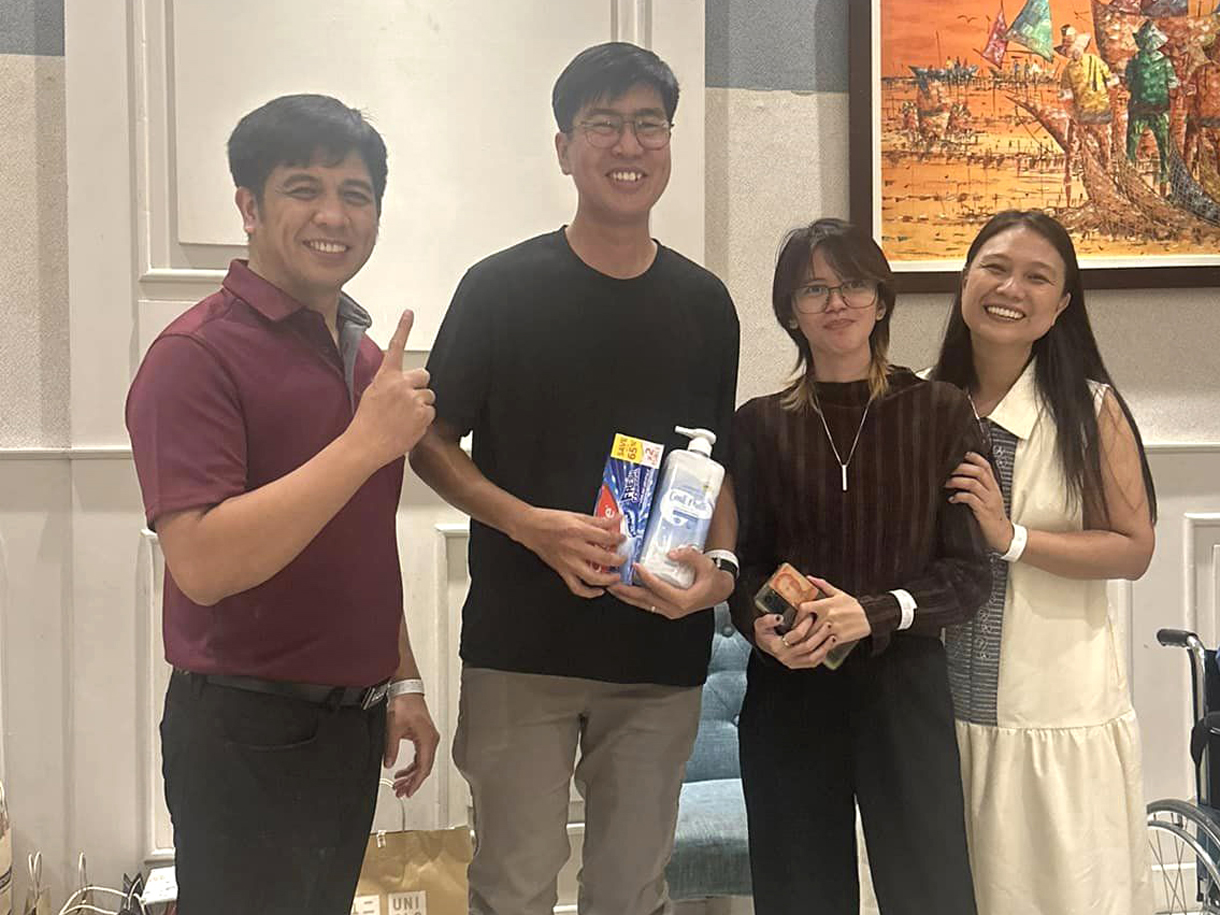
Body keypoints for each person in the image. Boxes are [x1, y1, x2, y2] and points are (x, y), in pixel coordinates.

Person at [409, 42, 740, 915]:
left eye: (648, 125)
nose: (628, 145)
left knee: (632, 892)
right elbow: (429, 441)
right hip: (523, 646)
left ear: (668, 142)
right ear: (564, 148)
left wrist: (722, 569)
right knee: (513, 887)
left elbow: (717, 462)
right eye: (604, 124)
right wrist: (529, 523)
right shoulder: (499, 288)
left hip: (658, 652)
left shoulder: (707, 304)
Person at [125, 94, 440, 914]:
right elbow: (203, 563)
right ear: (249, 206)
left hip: (351, 723)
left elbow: (360, 540)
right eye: (304, 188)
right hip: (245, 728)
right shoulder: (194, 354)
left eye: (356, 193)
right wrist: (363, 443)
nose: (334, 215)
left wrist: (402, 679)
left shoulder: (365, 358)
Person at [727, 218, 989, 915]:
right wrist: (763, 628)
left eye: (852, 285)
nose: (836, 302)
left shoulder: (940, 411)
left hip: (904, 687)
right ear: (790, 311)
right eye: (813, 289)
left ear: (881, 300)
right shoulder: (757, 424)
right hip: (789, 689)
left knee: (930, 890)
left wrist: (873, 611)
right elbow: (744, 567)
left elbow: (969, 573)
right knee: (798, 894)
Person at [932, 210, 1156, 915]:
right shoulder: (918, 401)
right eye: (995, 267)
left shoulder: (1092, 410)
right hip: (932, 707)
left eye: (1037, 277)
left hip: (1053, 706)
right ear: (965, 279)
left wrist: (1012, 537)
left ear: (1061, 305)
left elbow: (1134, 547)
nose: (1010, 289)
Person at [1055, 25, 1117, 168]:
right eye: (1070, 50)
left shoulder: (1094, 62)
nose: (1073, 52)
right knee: (1096, 145)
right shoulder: (1069, 70)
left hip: (1097, 112)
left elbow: (1111, 83)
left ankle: (1103, 169)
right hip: (1088, 114)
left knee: (1101, 145)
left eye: (1074, 48)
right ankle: (1077, 172)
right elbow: (1066, 99)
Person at [1125, 19, 1179, 184]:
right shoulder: (1164, 62)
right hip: (1156, 108)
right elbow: (1172, 85)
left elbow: (1128, 83)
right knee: (1162, 143)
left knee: (1134, 141)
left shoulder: (1134, 62)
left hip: (1141, 107)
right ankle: (1164, 174)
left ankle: (1131, 174)